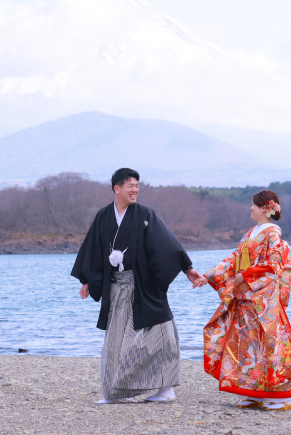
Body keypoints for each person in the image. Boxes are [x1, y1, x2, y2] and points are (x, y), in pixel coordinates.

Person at [71, 168, 204, 404]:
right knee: (116, 343)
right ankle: (117, 392)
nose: (135, 190)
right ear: (117, 188)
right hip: (116, 290)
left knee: (160, 337)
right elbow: (92, 248)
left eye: (137, 185)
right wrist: (87, 280)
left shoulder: (145, 214)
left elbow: (166, 245)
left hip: (143, 285)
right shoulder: (103, 216)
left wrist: (186, 268)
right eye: (130, 185)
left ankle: (165, 389)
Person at [195, 190, 291, 411]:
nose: (250, 208)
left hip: (263, 300)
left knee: (268, 345)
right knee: (247, 347)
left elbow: (274, 266)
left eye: (253, 205)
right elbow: (234, 258)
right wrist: (209, 275)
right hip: (245, 298)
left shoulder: (272, 234)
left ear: (265, 207)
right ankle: (253, 392)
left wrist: (245, 275)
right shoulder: (252, 232)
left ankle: (281, 397)